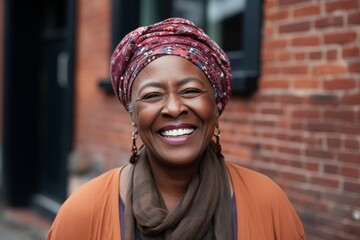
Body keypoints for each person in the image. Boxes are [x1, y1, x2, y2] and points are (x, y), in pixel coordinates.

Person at [47, 17, 306, 240]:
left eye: (190, 91)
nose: (173, 108)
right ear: (133, 116)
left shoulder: (268, 203)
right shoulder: (83, 213)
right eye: (152, 95)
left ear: (216, 106)